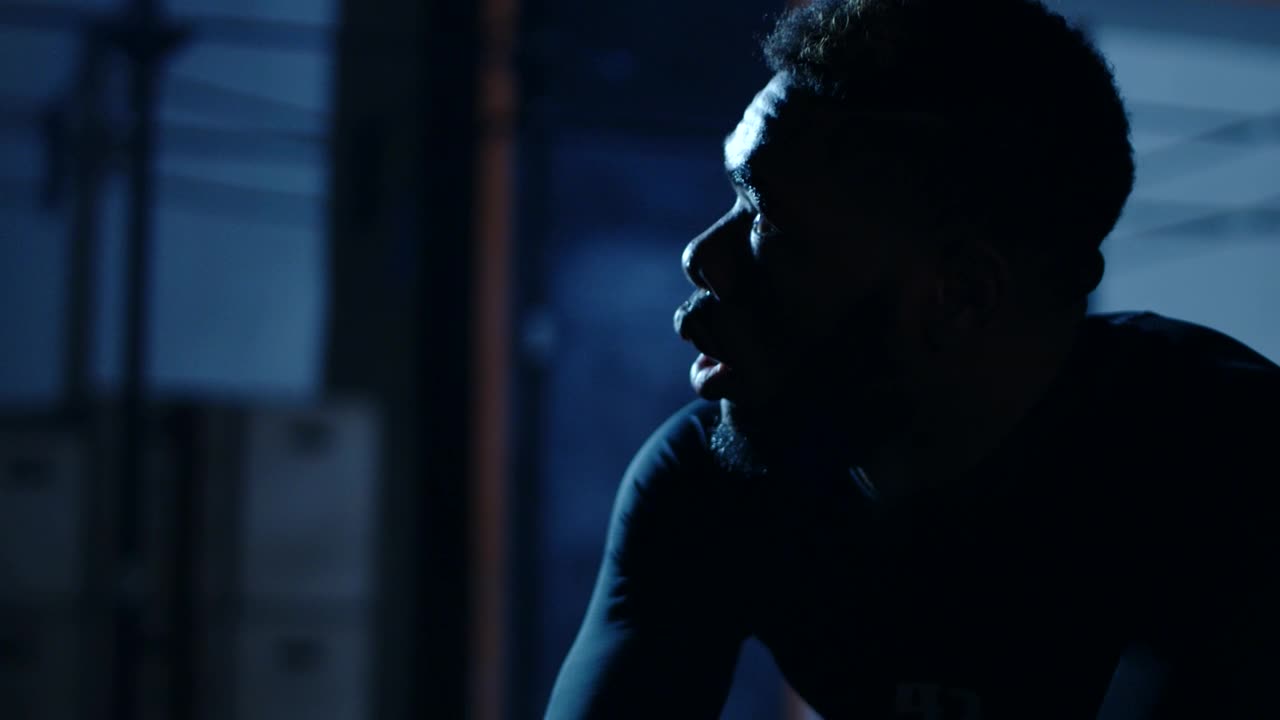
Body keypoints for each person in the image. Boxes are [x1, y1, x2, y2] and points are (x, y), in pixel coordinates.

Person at [545, 0, 1280, 717]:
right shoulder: (709, 483)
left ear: (961, 296)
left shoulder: (1232, 468)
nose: (701, 255)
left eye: (768, 218)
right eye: (734, 198)